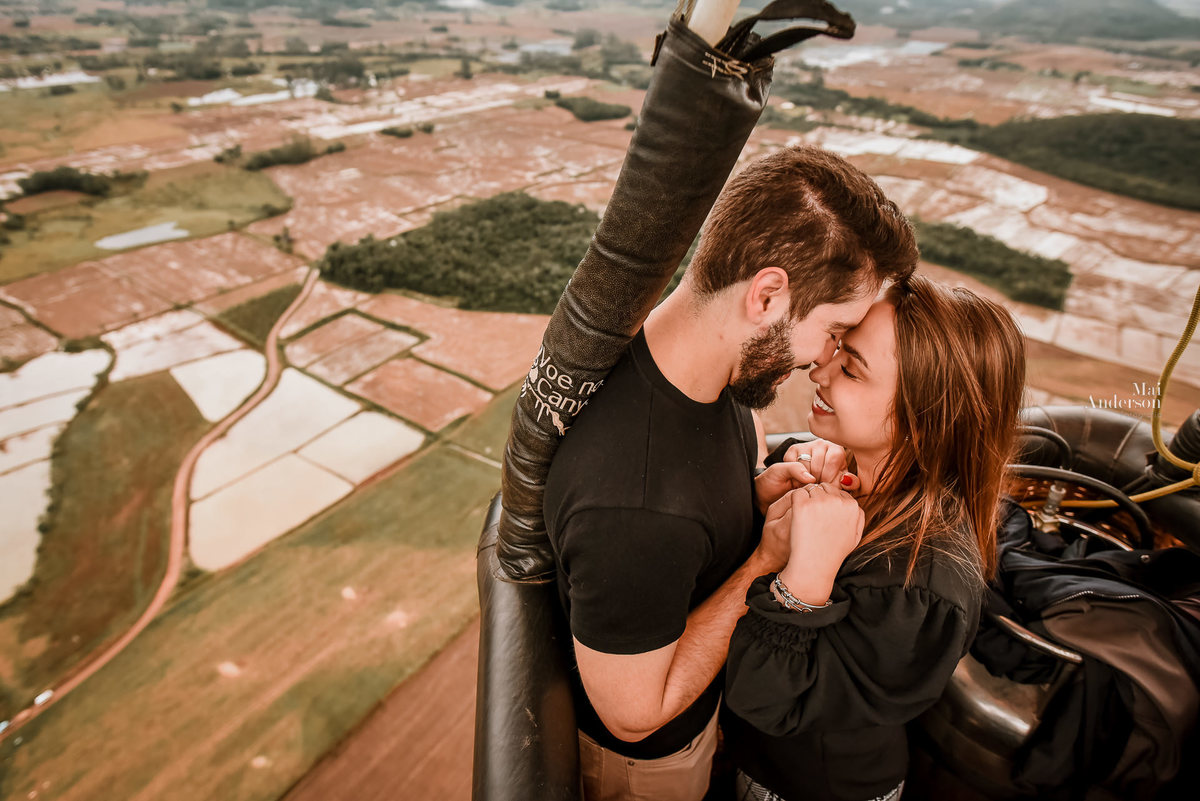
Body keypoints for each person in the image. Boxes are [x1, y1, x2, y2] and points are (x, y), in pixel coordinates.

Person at [542, 27, 919, 801]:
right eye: (834, 330)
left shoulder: (705, 388)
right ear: (768, 295)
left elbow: (687, 539)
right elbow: (635, 714)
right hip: (652, 766)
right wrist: (762, 563)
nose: (823, 358)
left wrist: (756, 500)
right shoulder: (635, 499)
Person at [722, 275, 1027, 801]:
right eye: (837, 347)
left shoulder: (919, 588)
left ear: (923, 419)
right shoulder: (851, 475)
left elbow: (765, 700)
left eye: (853, 368)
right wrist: (766, 497)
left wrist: (807, 579)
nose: (820, 368)